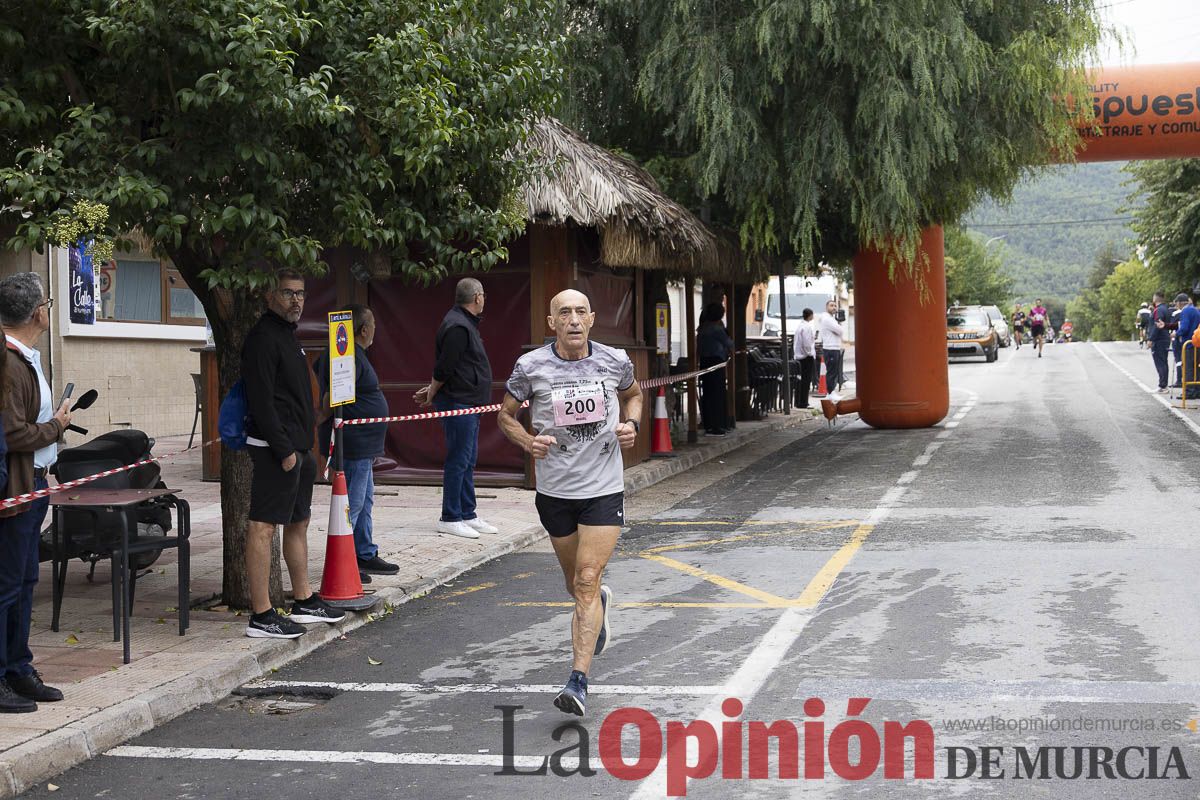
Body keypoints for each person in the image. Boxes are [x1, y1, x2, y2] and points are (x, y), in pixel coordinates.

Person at [497, 289, 643, 717]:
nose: (574, 320)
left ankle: (577, 681)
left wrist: (630, 423)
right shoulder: (531, 366)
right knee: (575, 585)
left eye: (581, 312)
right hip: (555, 492)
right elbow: (505, 415)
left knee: (585, 579)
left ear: (593, 319)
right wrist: (527, 440)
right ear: (552, 322)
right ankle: (599, 605)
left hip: (603, 487)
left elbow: (634, 394)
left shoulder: (614, 361)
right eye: (565, 312)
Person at [241, 270, 345, 639]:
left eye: (300, 294)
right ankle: (262, 615)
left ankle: (303, 599)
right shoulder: (262, 339)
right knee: (263, 527)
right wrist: (284, 449)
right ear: (270, 295)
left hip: (299, 450)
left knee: (298, 522)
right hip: (274, 449)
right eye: (287, 293)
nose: (296, 300)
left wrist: (306, 448)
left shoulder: (289, 336)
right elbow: (262, 400)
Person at [0, 273, 70, 711]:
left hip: (34, 485)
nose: (48, 308)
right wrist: (57, 426)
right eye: (46, 302)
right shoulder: (8, 362)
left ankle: (17, 668)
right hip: (15, 489)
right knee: (7, 585)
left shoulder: (25, 356)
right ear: (37, 313)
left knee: (25, 581)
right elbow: (12, 432)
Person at [314, 304, 398, 583]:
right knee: (354, 502)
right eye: (373, 324)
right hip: (353, 444)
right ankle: (347, 558)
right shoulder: (345, 357)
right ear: (364, 329)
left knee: (366, 499)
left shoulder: (355, 355)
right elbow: (329, 402)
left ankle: (364, 551)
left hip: (365, 445)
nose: (375, 329)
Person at [414, 278, 499, 540]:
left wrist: (432, 390)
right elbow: (444, 367)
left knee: (468, 459)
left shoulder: (464, 322)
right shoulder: (457, 326)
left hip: (469, 402)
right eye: (483, 295)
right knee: (458, 459)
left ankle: (468, 513)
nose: (484, 299)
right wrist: (432, 391)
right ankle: (450, 517)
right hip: (458, 402)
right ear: (476, 298)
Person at [696, 303, 733, 435]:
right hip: (717, 362)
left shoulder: (702, 328)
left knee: (707, 394)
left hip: (704, 363)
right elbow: (729, 343)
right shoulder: (717, 329)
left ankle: (708, 424)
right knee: (717, 393)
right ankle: (718, 425)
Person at [1148, 291, 1175, 393]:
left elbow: (1157, 326)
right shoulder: (1166, 309)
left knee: (1160, 362)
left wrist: (1151, 339)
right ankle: (1163, 384)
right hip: (1165, 337)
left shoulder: (1158, 310)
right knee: (1164, 361)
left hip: (1159, 339)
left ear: (1155, 298)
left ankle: (1162, 386)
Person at [1172, 293, 1200, 391]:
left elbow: (1184, 327)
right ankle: (1197, 389)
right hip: (1197, 341)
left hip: (1188, 343)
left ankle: (1189, 391)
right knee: (1197, 368)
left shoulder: (1185, 311)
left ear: (1179, 303)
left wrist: (1176, 334)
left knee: (1188, 367)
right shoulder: (1196, 310)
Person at [818, 299, 845, 392]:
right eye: (831, 305)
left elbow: (839, 331)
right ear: (826, 307)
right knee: (831, 372)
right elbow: (840, 331)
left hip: (834, 347)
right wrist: (839, 328)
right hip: (831, 348)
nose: (834, 307)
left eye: (835, 306)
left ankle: (831, 391)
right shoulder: (827, 319)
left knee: (833, 372)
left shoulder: (831, 319)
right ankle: (830, 392)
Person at [792, 308, 816, 408]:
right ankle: (803, 402)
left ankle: (798, 402)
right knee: (806, 380)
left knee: (800, 380)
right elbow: (806, 343)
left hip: (799, 356)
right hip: (805, 357)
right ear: (810, 315)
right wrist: (810, 353)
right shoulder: (806, 327)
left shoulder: (800, 326)